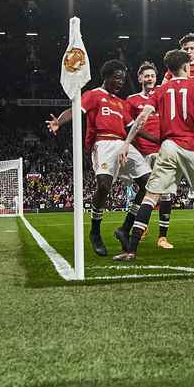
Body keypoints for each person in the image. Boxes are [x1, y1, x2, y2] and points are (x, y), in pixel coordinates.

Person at [112, 48, 194, 261]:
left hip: (168, 147)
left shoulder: (160, 90)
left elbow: (142, 118)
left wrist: (126, 143)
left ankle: (131, 250)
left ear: (168, 69)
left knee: (151, 196)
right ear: (186, 67)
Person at [45, 59, 147, 257]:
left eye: (123, 79)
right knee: (104, 186)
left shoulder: (122, 103)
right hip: (103, 143)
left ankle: (125, 228)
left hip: (124, 144)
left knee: (149, 184)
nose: (120, 82)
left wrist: (161, 139)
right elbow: (75, 110)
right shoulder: (94, 95)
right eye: (117, 78)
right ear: (107, 77)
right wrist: (59, 121)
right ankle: (95, 231)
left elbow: (134, 130)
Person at [122, 62, 170, 248]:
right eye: (146, 76)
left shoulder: (162, 95)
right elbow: (130, 126)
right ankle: (140, 227)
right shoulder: (132, 100)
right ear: (140, 78)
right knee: (146, 193)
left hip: (162, 151)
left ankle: (162, 237)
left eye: (152, 75)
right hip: (142, 153)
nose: (149, 79)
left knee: (165, 195)